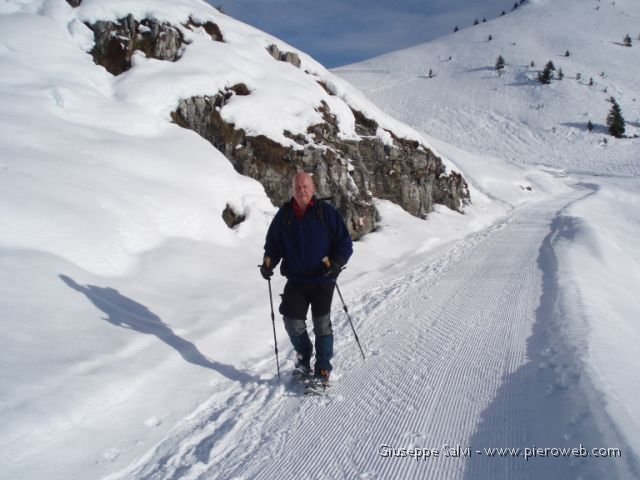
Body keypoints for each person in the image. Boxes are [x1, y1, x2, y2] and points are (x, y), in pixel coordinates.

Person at [260, 172, 353, 385]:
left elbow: (345, 243)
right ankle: (303, 357)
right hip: (296, 279)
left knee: (321, 324)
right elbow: (273, 245)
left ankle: (322, 369)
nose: (301, 190)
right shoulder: (284, 216)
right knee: (292, 322)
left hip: (323, 279)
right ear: (292, 190)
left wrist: (337, 263)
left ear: (313, 189)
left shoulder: (326, 213)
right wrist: (268, 263)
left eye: (305, 186)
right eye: (298, 187)